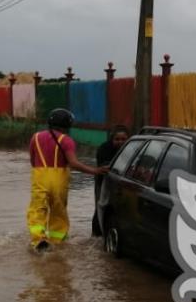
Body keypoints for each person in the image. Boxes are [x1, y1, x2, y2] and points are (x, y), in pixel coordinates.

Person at [27, 108, 106, 252]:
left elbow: (33, 161)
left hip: (39, 177)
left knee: (37, 210)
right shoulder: (67, 141)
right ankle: (57, 242)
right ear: (67, 125)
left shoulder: (36, 137)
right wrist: (95, 171)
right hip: (59, 180)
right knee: (59, 212)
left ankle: (38, 240)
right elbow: (74, 163)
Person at [92, 125, 130, 236]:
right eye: (117, 139)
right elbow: (103, 166)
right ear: (111, 139)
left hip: (122, 183)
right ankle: (96, 235)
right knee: (101, 207)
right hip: (103, 182)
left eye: (123, 139)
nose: (120, 142)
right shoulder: (104, 148)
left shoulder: (132, 148)